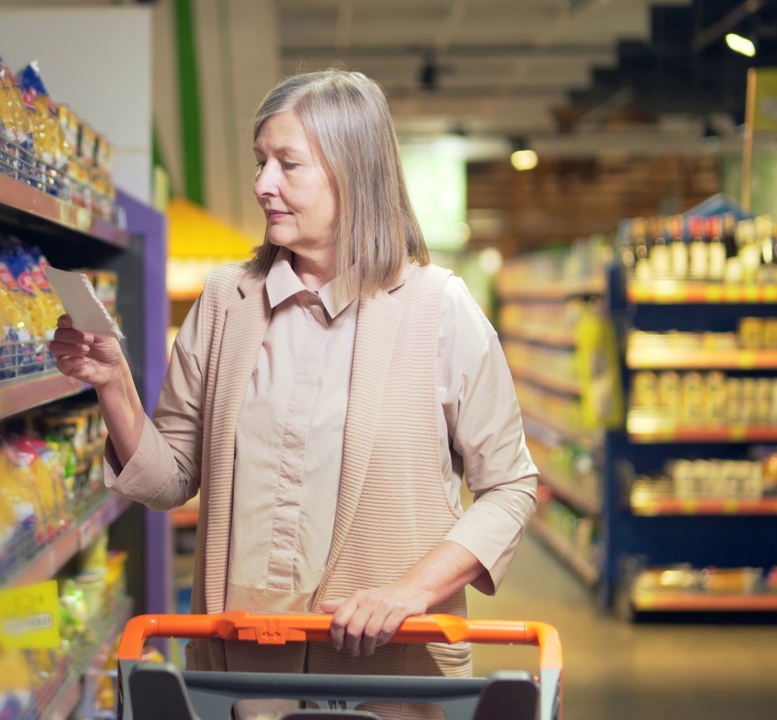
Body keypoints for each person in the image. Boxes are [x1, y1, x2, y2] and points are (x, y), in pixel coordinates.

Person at [48, 69, 537, 719]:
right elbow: (169, 480)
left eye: (288, 164)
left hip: (390, 665)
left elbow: (510, 487)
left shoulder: (437, 309)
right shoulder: (228, 302)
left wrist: (409, 591)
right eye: (259, 162)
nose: (262, 185)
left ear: (353, 172)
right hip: (245, 664)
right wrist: (115, 386)